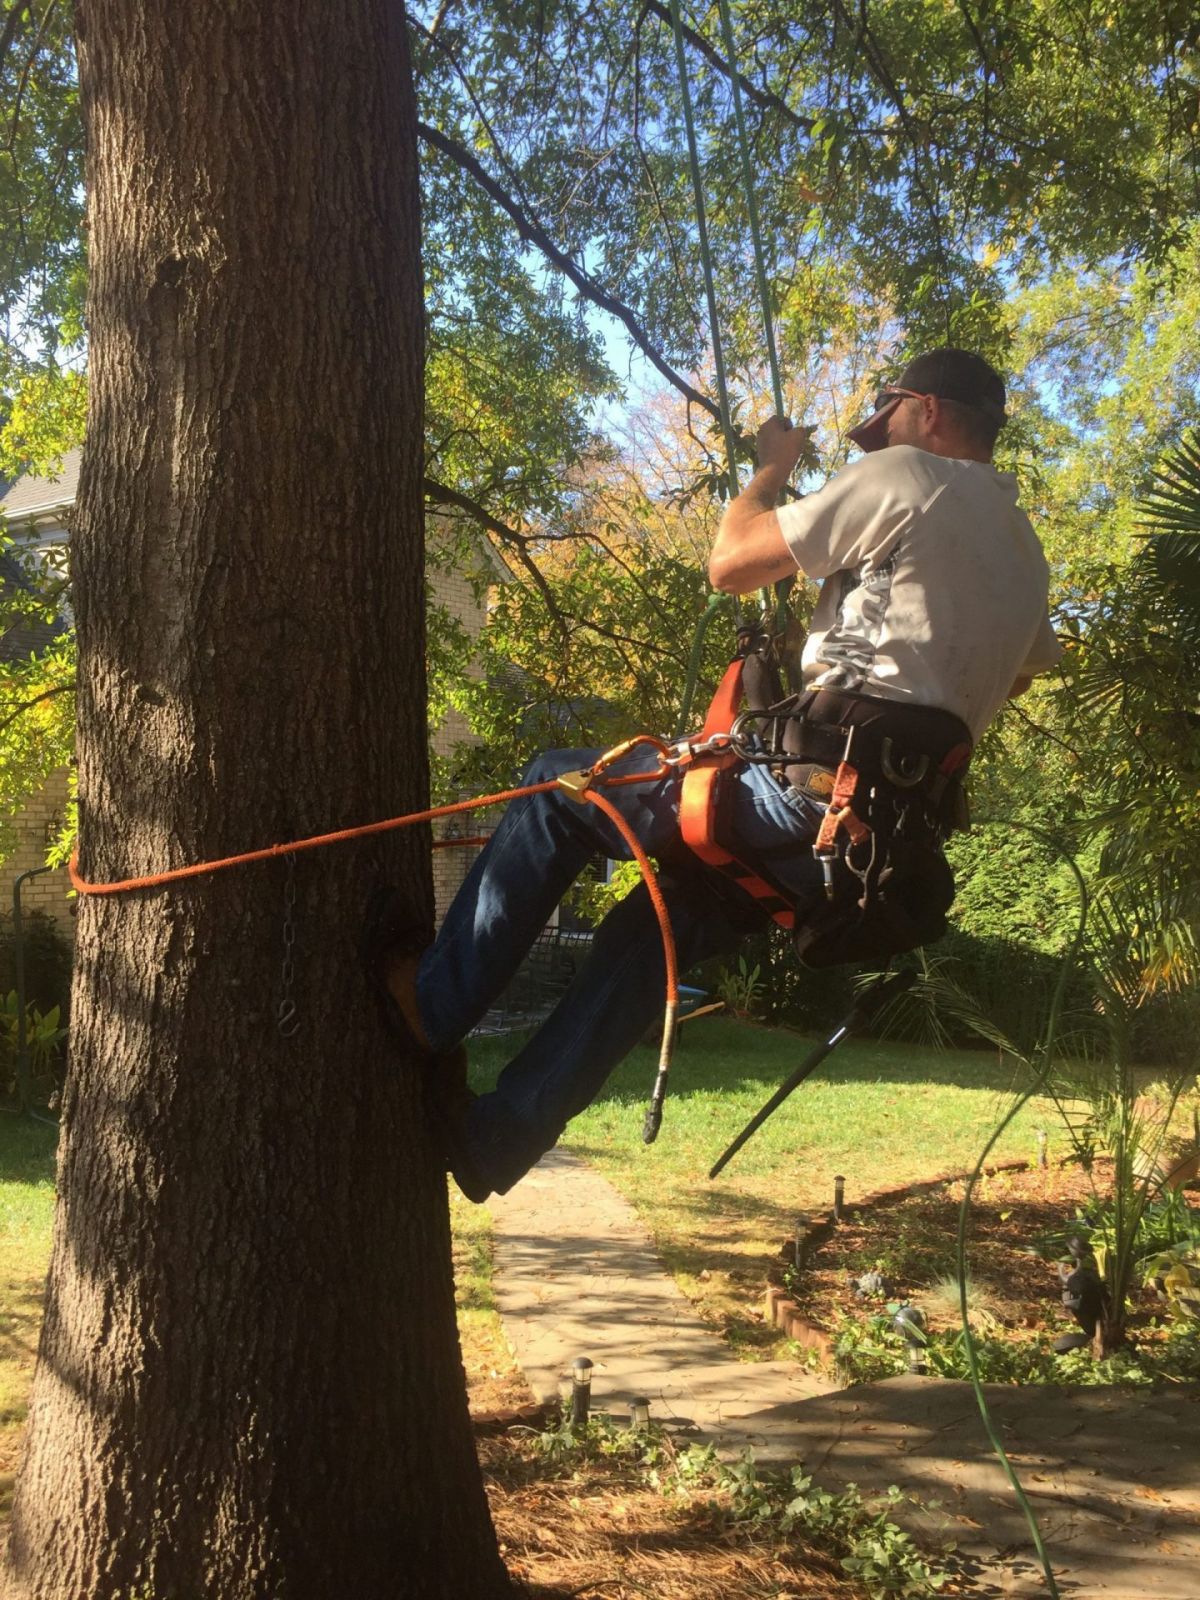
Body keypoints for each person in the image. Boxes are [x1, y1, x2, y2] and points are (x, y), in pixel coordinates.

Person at [371, 347, 1061, 1201]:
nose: (875, 442)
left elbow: (731, 563)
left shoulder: (908, 478)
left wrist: (771, 471)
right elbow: (1019, 672)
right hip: (862, 855)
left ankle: (433, 1004)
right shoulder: (1026, 551)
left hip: (798, 799)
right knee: (646, 942)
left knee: (560, 791)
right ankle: (494, 1142)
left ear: (926, 410)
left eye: (884, 422)